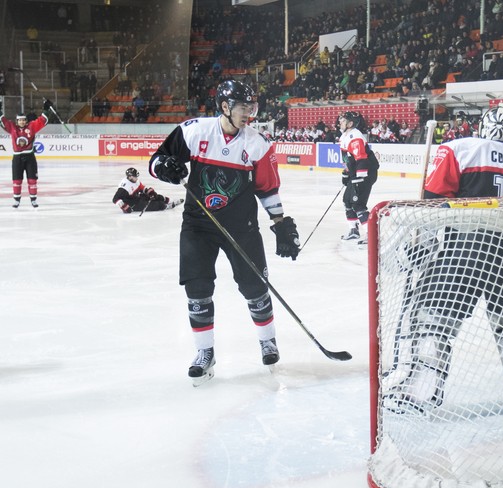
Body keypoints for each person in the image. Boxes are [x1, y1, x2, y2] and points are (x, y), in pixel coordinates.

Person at [384, 104, 503, 414]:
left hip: (465, 245)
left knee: (433, 316)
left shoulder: (458, 148)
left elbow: (434, 204)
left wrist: (420, 243)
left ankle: (420, 390)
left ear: (482, 127)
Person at [148, 80, 301, 386]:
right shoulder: (193, 131)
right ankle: (205, 353)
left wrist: (280, 223)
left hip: (241, 227)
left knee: (255, 287)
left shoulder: (257, 144)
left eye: (252, 107)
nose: (250, 113)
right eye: (244, 107)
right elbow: (156, 162)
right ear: (225, 107)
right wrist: (165, 167)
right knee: (197, 290)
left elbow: (268, 189)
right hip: (198, 224)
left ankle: (267, 341)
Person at [337, 110, 379, 242]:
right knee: (347, 201)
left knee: (358, 204)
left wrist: (358, 177)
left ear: (350, 123)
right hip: (356, 174)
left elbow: (361, 158)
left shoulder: (355, 136)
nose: (340, 122)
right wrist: (346, 174)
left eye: (343, 121)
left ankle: (370, 234)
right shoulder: (344, 136)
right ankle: (354, 230)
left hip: (365, 173)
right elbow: (347, 159)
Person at [1, 100, 51, 208]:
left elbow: (42, 120)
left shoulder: (31, 127)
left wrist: (46, 109)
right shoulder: (12, 128)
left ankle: (33, 200)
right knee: (17, 180)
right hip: (17, 158)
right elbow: (2, 121)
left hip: (30, 158)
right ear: (17, 121)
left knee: (32, 180)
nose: (22, 122)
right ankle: (17, 200)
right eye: (20, 120)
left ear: (26, 121)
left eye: (24, 120)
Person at [112, 167, 183, 213]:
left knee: (155, 196)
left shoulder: (134, 180)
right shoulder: (124, 187)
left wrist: (149, 191)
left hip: (137, 198)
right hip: (133, 205)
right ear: (130, 177)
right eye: (135, 177)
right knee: (156, 205)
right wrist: (124, 207)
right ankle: (165, 206)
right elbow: (115, 199)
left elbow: (142, 188)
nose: (136, 178)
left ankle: (169, 200)